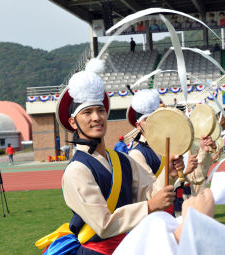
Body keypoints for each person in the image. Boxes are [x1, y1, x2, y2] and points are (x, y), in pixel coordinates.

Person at [36, 58, 183, 255]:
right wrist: (149, 206)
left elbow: (148, 194)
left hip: (128, 247)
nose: (96, 117)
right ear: (73, 122)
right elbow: (103, 224)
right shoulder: (76, 170)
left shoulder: (122, 160)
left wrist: (169, 173)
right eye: (87, 112)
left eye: (100, 111)